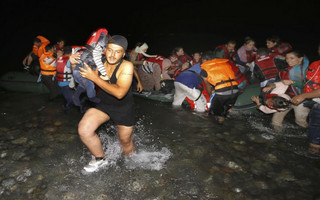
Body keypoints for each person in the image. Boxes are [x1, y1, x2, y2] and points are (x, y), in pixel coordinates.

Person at [69, 35, 135, 172]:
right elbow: (80, 78)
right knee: (84, 129)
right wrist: (73, 63)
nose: (112, 55)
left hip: (123, 108)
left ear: (124, 54)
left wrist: (94, 77)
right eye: (110, 50)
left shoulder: (127, 66)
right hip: (103, 104)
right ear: (105, 50)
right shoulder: (98, 61)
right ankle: (100, 159)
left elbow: (120, 93)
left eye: (118, 52)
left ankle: (131, 166)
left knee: (125, 142)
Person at [273, 50, 310, 129]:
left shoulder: (307, 71)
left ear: (300, 59)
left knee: (300, 122)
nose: (288, 61)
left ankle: (312, 136)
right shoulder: (288, 69)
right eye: (287, 58)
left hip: (302, 100)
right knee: (276, 121)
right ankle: (276, 138)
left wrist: (293, 82)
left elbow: (309, 86)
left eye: (292, 58)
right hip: (288, 98)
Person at [201, 51, 240, 124]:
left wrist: (211, 96)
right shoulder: (225, 64)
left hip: (222, 93)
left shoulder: (204, 70)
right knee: (224, 112)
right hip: (235, 90)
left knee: (214, 113)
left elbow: (207, 86)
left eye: (202, 60)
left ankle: (217, 130)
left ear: (204, 59)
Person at [56, 46, 74, 112]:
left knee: (65, 96)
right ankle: (65, 110)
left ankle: (65, 105)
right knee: (70, 99)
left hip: (59, 82)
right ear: (71, 53)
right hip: (66, 83)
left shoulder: (58, 59)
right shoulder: (69, 60)